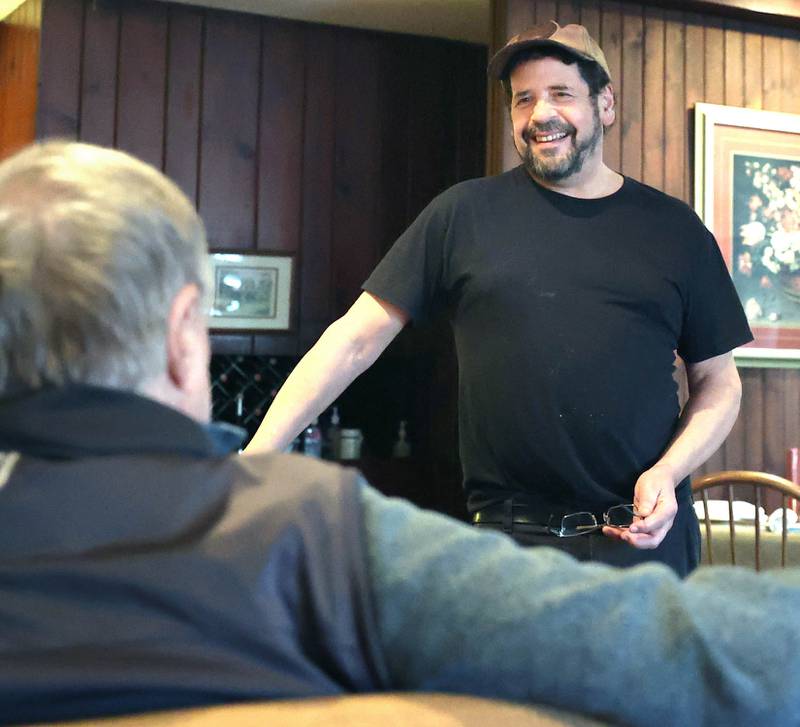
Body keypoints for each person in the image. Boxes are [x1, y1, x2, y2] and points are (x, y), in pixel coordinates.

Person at [0, 139, 797, 727]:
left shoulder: (671, 227)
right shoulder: (300, 530)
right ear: (183, 335)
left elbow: (717, 382)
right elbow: (701, 651)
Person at [245, 21, 753, 576]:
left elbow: (719, 383)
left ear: (605, 104)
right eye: (523, 99)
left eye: (561, 93)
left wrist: (670, 471)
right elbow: (352, 340)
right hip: (507, 546)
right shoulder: (461, 215)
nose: (540, 114)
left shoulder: (674, 231)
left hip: (642, 543)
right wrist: (254, 459)